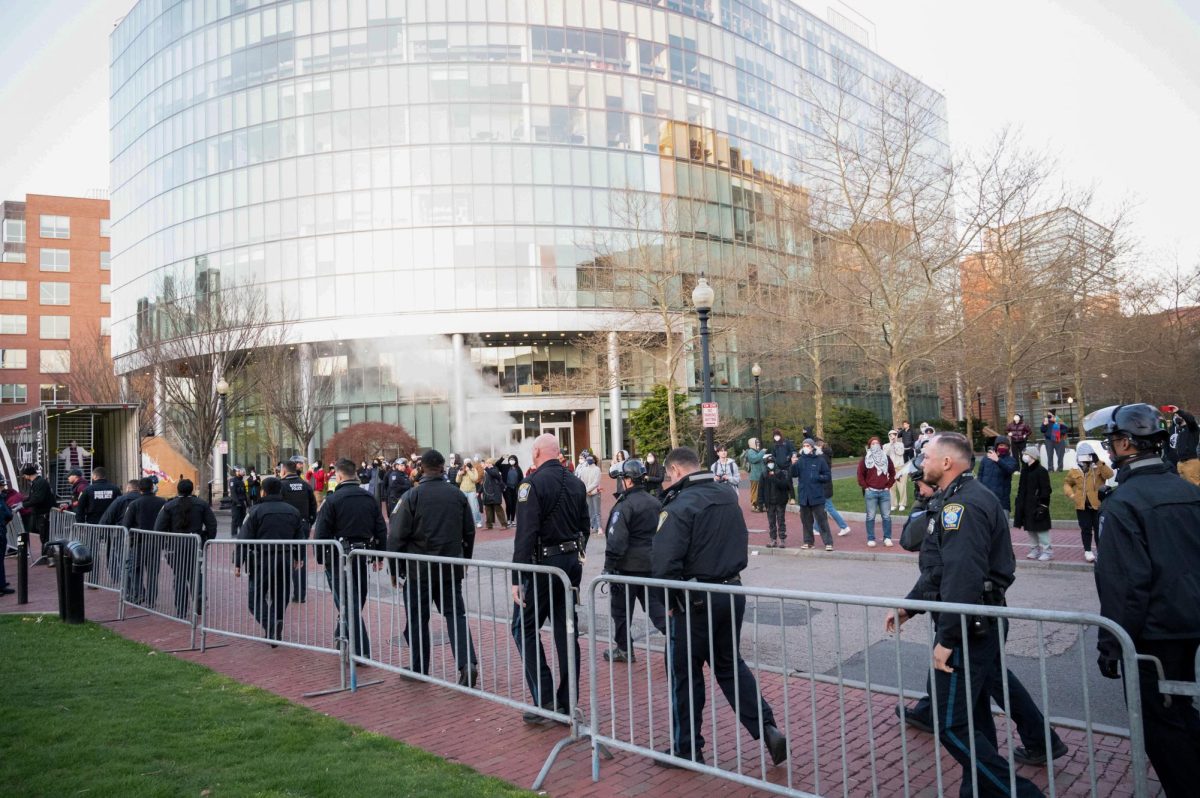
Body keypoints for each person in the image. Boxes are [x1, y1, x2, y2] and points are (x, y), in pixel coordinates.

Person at [884, 433, 1045, 797]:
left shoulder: (963, 506)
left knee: (950, 722)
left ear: (946, 463)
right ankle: (979, 791)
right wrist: (910, 606)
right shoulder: (956, 499)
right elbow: (939, 572)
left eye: (926, 457)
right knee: (974, 718)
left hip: (971, 626)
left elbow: (963, 576)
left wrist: (948, 639)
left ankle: (1019, 793)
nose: (921, 462)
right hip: (975, 621)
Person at [1089, 404, 1200, 797]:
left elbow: (1125, 586)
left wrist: (1110, 644)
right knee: (1185, 714)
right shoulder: (1188, 491)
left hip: (1154, 637)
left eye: (1112, 444)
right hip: (1189, 627)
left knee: (1163, 730)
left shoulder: (1123, 503)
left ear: (1124, 443)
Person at [652, 446, 787, 768]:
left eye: (668, 476)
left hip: (695, 599)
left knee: (685, 674)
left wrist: (669, 602)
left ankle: (686, 748)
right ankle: (766, 727)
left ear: (676, 472)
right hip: (730, 590)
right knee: (728, 665)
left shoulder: (680, 505)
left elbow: (663, 562)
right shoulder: (727, 495)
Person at [510, 433, 588, 723]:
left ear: (537, 452)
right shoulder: (577, 483)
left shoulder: (532, 484)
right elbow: (585, 527)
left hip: (542, 566)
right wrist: (576, 556)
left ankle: (544, 699)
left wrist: (517, 576)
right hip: (569, 564)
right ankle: (567, 703)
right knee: (566, 632)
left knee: (523, 628)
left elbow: (525, 534)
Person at [387, 448, 479, 686]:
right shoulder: (456, 495)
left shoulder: (411, 497)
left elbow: (396, 535)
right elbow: (469, 530)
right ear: (441, 467)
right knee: (455, 615)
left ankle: (420, 667)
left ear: (421, 469)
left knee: (418, 618)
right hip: (449, 567)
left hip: (420, 570)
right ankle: (467, 662)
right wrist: (464, 561)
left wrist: (395, 570)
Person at [314, 458, 387, 658]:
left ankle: (360, 651)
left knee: (349, 602)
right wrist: (379, 555)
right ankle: (342, 635)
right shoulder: (368, 498)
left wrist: (322, 558)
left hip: (339, 556)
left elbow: (321, 532)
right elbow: (380, 527)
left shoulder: (333, 500)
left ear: (338, 476)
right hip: (361, 555)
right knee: (354, 600)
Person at [601, 458, 666, 662]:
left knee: (620, 612)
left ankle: (624, 649)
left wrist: (608, 568)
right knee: (657, 610)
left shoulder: (625, 505)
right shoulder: (656, 502)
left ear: (628, 480)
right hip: (652, 566)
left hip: (626, 569)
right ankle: (678, 640)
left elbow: (616, 540)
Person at [235, 476, 307, 644]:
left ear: (263, 491)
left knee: (255, 598)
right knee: (281, 594)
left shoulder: (255, 511)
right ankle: (276, 624)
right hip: (285, 558)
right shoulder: (292, 511)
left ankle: (270, 624)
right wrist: (299, 557)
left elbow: (244, 538)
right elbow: (300, 537)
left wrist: (239, 562)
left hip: (262, 559)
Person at [152, 479, 218, 617]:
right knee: (194, 573)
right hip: (195, 543)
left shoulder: (169, 506)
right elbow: (212, 524)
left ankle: (181, 608)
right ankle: (199, 596)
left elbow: (159, 527)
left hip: (176, 545)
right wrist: (206, 538)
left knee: (180, 575)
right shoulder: (201, 504)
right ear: (192, 490)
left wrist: (165, 542)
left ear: (178, 490)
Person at [1062, 442, 1112, 563]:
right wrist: (1072, 495)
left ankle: (1101, 551)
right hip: (1082, 505)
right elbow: (1067, 483)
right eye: (1082, 456)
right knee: (1085, 528)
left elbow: (1109, 474)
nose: (1085, 460)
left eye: (1087, 456)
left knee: (1099, 529)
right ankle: (1088, 551)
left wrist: (1098, 461)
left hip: (1098, 504)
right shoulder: (1075, 470)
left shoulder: (1098, 468)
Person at [123, 478, 167, 604]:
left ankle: (139, 593)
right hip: (156, 542)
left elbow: (126, 523)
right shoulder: (162, 502)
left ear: (140, 489)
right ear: (152, 487)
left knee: (134, 568)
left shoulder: (135, 504)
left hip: (138, 541)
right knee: (153, 572)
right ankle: (152, 599)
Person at [280, 456, 318, 603]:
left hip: (285, 527)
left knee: (283, 558)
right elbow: (313, 507)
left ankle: (282, 592)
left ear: (284, 470)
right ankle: (300, 594)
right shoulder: (305, 485)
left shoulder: (280, 485)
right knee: (300, 559)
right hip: (303, 525)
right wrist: (309, 522)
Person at [792, 439, 833, 550]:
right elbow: (794, 474)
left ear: (813, 447)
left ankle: (828, 543)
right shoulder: (800, 460)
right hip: (804, 496)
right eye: (804, 445)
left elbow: (827, 476)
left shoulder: (820, 460)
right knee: (806, 521)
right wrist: (793, 464)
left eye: (808, 445)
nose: (806, 447)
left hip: (817, 496)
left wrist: (817, 477)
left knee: (822, 520)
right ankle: (808, 542)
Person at [1014, 448, 1053, 561]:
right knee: (1030, 529)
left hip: (1038, 504)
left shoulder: (1041, 471)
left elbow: (1046, 490)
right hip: (1026, 505)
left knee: (1041, 529)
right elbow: (1021, 488)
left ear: (1032, 456)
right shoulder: (1025, 471)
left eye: (1026, 454)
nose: (1024, 456)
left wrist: (1043, 505)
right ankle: (1034, 549)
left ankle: (1047, 551)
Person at [856, 436, 896, 547]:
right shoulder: (865, 459)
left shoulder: (886, 458)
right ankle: (871, 538)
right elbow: (860, 475)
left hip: (884, 492)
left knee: (887, 517)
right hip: (871, 492)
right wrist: (866, 487)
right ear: (869, 446)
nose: (875, 445)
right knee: (870, 516)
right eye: (873, 443)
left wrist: (889, 485)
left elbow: (892, 473)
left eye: (877, 443)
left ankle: (887, 538)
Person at [814, 438, 851, 537]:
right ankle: (816, 528)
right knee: (822, 508)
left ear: (819, 446)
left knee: (828, 507)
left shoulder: (822, 457)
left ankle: (844, 526)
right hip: (826, 486)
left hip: (824, 486)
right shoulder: (825, 456)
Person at [22, 465, 56, 566]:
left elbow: (38, 498)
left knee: (45, 536)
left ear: (28, 475)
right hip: (40, 514)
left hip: (44, 514)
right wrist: (23, 502)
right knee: (43, 535)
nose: (24, 477)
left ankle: (48, 557)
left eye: (24, 475)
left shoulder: (40, 483)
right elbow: (33, 497)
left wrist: (23, 505)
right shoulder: (37, 483)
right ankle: (46, 556)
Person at [977, 436, 1018, 514]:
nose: (1003, 447)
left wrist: (998, 460)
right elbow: (980, 474)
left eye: (1006, 446)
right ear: (996, 446)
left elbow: (1009, 470)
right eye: (1001, 445)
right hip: (986, 496)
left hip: (1002, 498)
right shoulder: (986, 458)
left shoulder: (1011, 460)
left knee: (1003, 523)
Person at [759, 454, 791, 548]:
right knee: (771, 522)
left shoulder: (780, 473)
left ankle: (782, 539)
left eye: (772, 462)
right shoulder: (764, 474)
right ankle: (773, 539)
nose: (770, 464)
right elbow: (760, 489)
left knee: (781, 521)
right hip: (769, 503)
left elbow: (785, 486)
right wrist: (760, 502)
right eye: (769, 463)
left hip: (780, 502)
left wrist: (774, 478)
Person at [1166, 407, 1200, 486]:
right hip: (1180, 463)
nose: (1177, 417)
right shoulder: (1180, 430)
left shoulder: (1193, 429)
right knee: (1185, 486)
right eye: (1175, 416)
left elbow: (1191, 420)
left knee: (1195, 486)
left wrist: (1179, 411)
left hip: (1191, 462)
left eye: (1179, 415)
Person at [575, 453, 602, 541]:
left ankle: (599, 527)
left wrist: (587, 490)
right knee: (590, 510)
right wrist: (587, 490)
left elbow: (596, 482)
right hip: (588, 492)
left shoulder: (597, 469)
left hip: (594, 492)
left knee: (596, 510)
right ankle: (592, 526)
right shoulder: (584, 469)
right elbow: (582, 480)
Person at [481, 458, 508, 529]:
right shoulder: (486, 471)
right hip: (487, 493)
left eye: (487, 463)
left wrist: (486, 468)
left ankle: (504, 524)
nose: (486, 464)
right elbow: (484, 483)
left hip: (495, 492)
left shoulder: (495, 469)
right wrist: (479, 491)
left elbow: (494, 474)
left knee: (498, 509)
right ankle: (489, 525)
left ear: (490, 463)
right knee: (488, 509)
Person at [456, 458, 483, 527]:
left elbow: (475, 479)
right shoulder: (462, 469)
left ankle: (478, 521)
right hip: (463, 490)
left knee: (475, 508)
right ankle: (463, 523)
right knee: (462, 507)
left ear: (470, 463)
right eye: (465, 462)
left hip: (471, 491)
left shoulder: (474, 470)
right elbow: (457, 481)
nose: (466, 464)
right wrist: (459, 474)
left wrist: (469, 471)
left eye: (468, 462)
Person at [885, 430, 908, 511]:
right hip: (890, 469)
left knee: (902, 486)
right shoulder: (886, 445)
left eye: (894, 435)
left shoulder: (900, 444)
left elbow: (900, 452)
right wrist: (891, 444)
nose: (893, 436)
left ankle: (902, 504)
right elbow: (885, 454)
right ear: (888, 436)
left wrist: (894, 444)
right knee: (891, 487)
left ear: (897, 435)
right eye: (891, 435)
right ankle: (893, 504)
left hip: (900, 468)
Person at [745, 438, 766, 512]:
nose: (758, 444)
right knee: (755, 491)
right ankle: (754, 505)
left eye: (758, 442)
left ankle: (760, 505)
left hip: (760, 475)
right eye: (756, 443)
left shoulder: (757, 451)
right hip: (755, 476)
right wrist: (762, 452)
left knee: (761, 491)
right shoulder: (750, 451)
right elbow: (754, 459)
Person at [228, 466, 248, 537]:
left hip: (242, 503)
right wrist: (237, 502)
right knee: (235, 518)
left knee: (243, 519)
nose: (241, 472)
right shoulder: (233, 481)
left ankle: (242, 533)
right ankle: (234, 534)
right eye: (239, 471)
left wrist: (247, 503)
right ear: (235, 472)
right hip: (236, 503)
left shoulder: (242, 481)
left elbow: (244, 493)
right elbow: (233, 493)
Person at [502, 455, 522, 525]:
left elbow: (521, 479)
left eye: (513, 459)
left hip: (515, 489)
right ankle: (508, 519)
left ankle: (513, 520)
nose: (511, 460)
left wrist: (520, 487)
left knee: (514, 504)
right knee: (509, 503)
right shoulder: (505, 467)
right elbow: (497, 465)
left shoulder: (518, 468)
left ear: (516, 460)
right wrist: (502, 458)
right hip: (507, 488)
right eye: (510, 459)